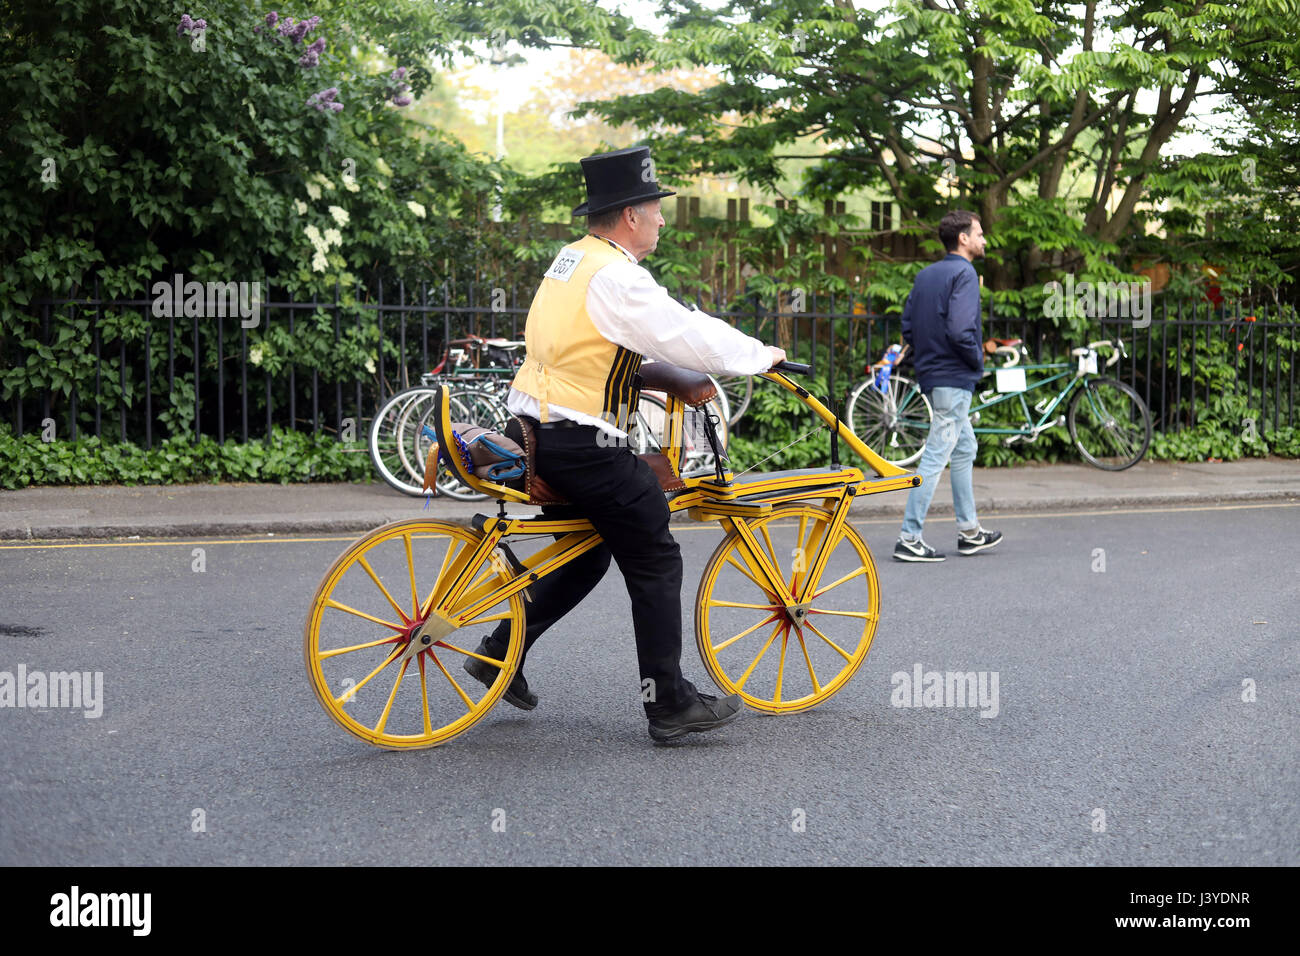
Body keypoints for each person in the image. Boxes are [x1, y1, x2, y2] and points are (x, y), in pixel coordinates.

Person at [462, 146, 786, 741]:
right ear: (631, 215)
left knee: (586, 550)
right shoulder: (617, 276)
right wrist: (760, 356)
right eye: (657, 208)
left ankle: (496, 653)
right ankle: (669, 702)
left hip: (536, 430)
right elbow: (685, 332)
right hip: (583, 446)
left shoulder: (571, 260)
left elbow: (586, 349)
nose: (663, 218)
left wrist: (658, 373)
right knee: (657, 554)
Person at [893, 210, 1002, 562]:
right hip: (954, 376)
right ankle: (909, 537)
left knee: (964, 447)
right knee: (938, 452)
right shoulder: (965, 273)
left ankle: (969, 532)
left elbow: (908, 327)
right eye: (980, 233)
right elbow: (960, 329)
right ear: (964, 239)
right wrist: (975, 360)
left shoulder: (926, 275)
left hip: (932, 375)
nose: (984, 240)